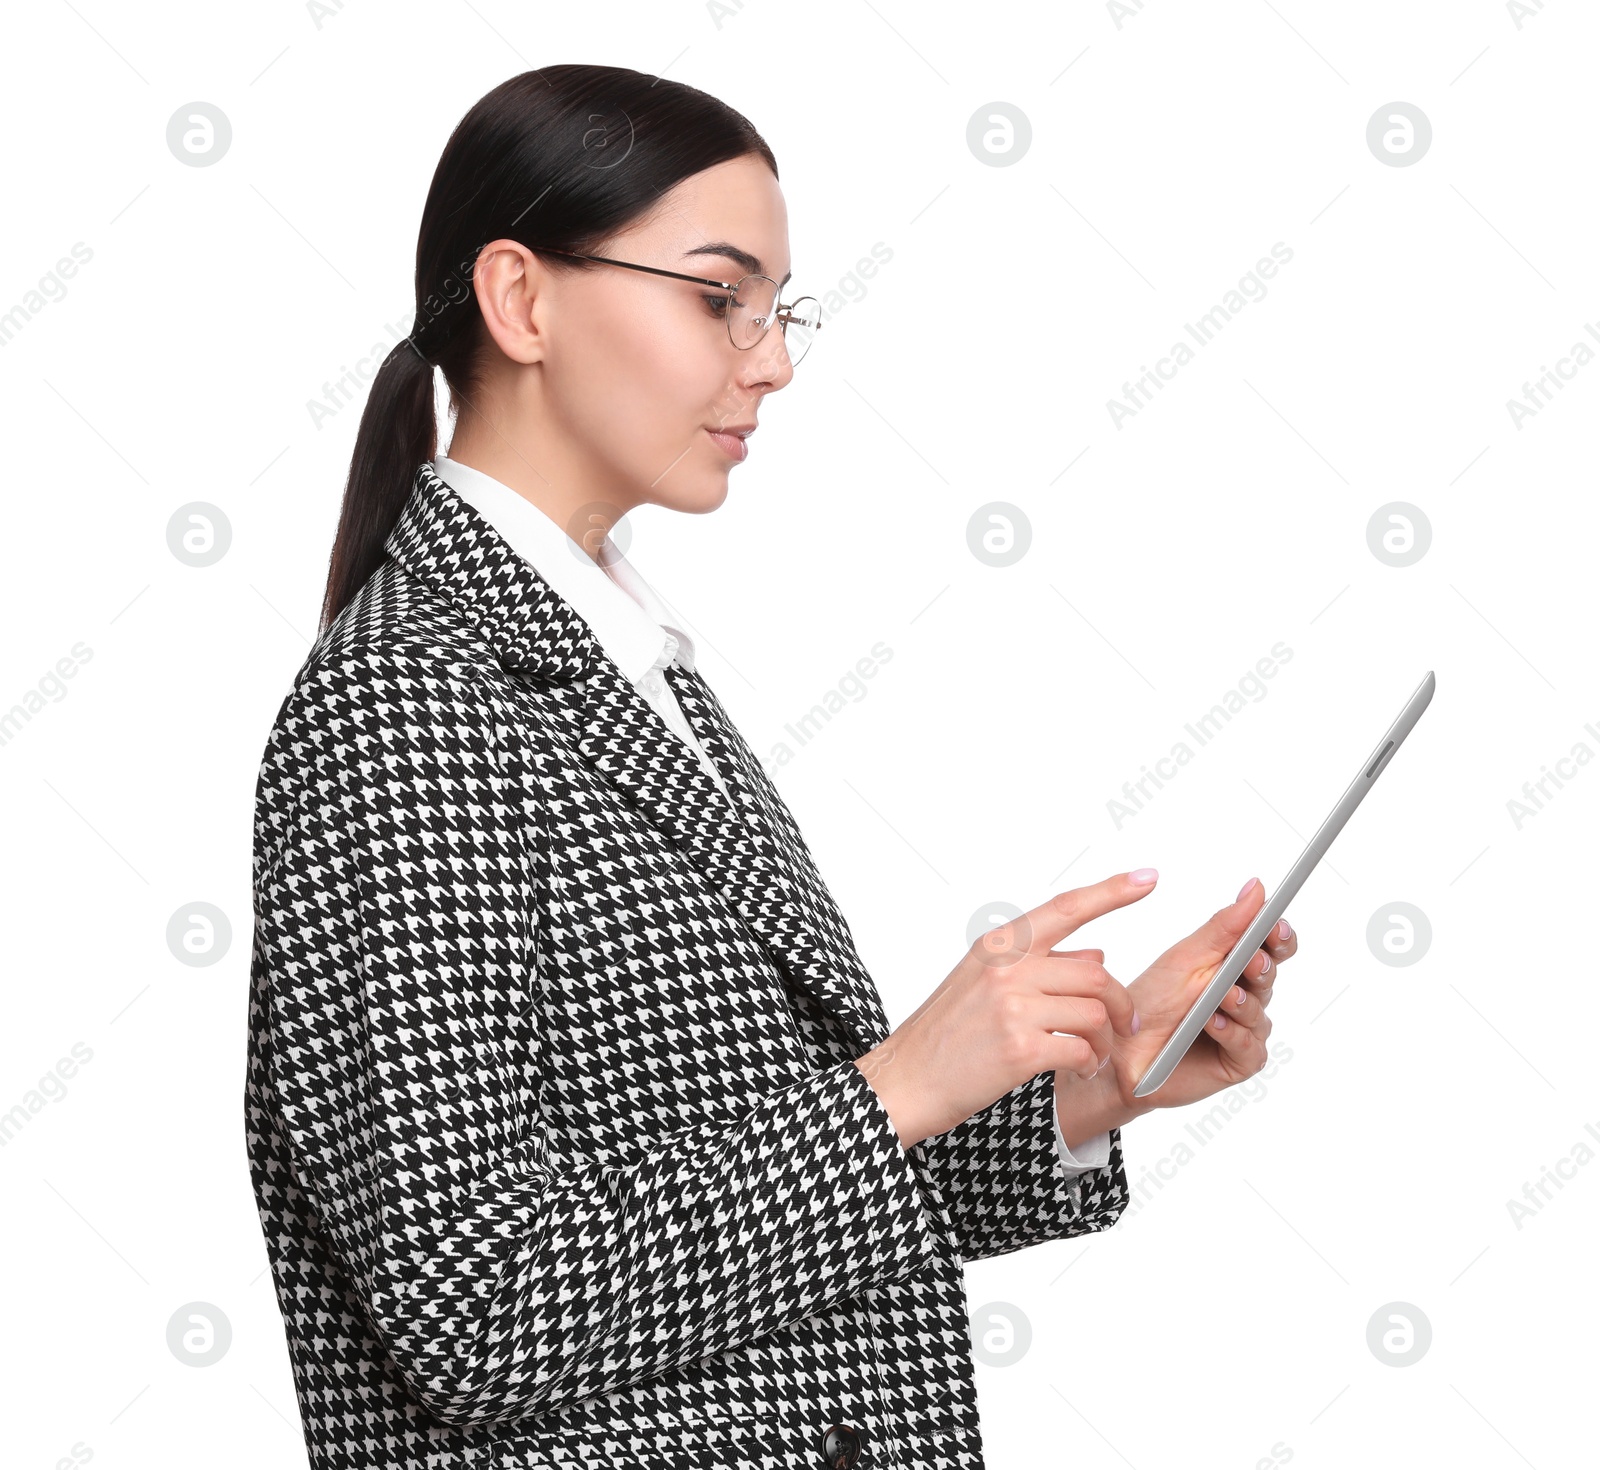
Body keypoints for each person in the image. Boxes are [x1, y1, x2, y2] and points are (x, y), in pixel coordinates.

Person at [245, 63, 1295, 1470]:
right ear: (521, 300)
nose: (774, 358)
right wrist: (898, 1083)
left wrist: (1088, 1084)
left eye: (777, 307)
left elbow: (754, 1202)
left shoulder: (626, 659)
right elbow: (477, 1307)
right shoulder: (406, 697)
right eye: (715, 295)